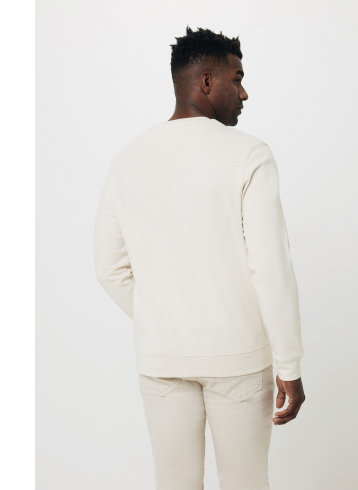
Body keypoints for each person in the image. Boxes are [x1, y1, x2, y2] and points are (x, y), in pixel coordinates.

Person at [94, 26, 306, 490]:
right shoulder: (249, 155)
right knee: (246, 482)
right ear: (206, 82)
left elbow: (108, 267)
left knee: (173, 482)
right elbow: (271, 268)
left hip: (161, 357)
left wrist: (162, 317)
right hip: (238, 357)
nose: (244, 93)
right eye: (237, 78)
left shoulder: (127, 159)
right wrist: (289, 365)